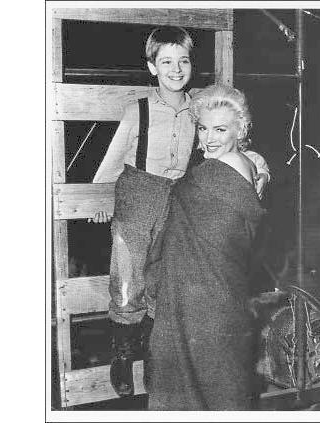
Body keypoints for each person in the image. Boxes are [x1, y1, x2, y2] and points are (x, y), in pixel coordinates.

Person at [89, 26, 198, 396]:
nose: (176, 69)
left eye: (183, 61)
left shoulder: (199, 110)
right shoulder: (137, 110)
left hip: (178, 197)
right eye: (166, 62)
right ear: (152, 67)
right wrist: (101, 201)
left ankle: (154, 355)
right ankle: (122, 353)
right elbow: (112, 161)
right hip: (138, 194)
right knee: (127, 273)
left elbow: (228, 141)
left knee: (164, 278)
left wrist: (258, 166)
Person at [145, 84, 268, 410]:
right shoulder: (245, 164)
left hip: (205, 301)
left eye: (220, 129)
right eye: (203, 128)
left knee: (203, 382)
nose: (209, 138)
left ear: (240, 130)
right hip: (222, 297)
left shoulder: (214, 172)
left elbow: (215, 235)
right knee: (221, 382)